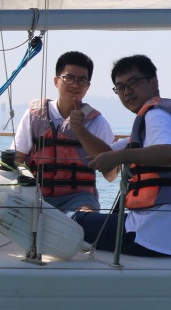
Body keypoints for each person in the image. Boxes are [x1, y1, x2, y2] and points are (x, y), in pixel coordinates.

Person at [73, 55, 171, 257]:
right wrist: (79, 129)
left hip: (153, 237)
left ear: (153, 83)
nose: (127, 91)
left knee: (74, 221)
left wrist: (120, 157)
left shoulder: (156, 115)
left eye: (133, 83)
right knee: (87, 220)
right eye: (120, 87)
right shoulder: (154, 119)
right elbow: (106, 157)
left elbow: (169, 151)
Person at [11, 51, 116, 212]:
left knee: (85, 215)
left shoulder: (97, 122)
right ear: (56, 81)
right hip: (36, 195)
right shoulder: (33, 116)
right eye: (69, 78)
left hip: (80, 198)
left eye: (82, 80)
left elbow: (111, 175)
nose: (75, 85)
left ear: (87, 86)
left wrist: (80, 130)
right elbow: (15, 161)